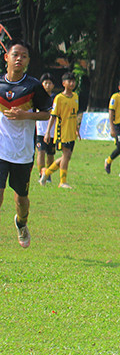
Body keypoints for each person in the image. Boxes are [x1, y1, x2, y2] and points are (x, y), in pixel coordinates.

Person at [0, 42, 53, 248]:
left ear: (28, 61)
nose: (19, 58)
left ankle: (21, 224)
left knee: (21, 200)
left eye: (24, 56)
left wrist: (25, 115)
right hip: (1, 149)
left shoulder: (32, 86)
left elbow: (48, 113)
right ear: (7, 58)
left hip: (22, 152)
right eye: (15, 55)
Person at [41, 71, 81, 189]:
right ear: (64, 83)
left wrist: (77, 129)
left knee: (66, 157)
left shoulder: (75, 97)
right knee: (66, 155)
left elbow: (75, 114)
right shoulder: (59, 98)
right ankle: (62, 181)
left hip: (71, 132)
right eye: (69, 81)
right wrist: (48, 132)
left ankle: (46, 173)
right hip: (62, 132)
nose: (72, 83)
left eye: (73, 81)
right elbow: (53, 116)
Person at [34, 73, 58, 184]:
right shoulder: (37, 97)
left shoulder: (55, 99)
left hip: (52, 131)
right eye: (45, 83)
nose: (47, 85)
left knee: (50, 154)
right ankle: (41, 173)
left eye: (50, 83)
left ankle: (48, 174)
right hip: (40, 130)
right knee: (40, 152)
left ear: (53, 85)